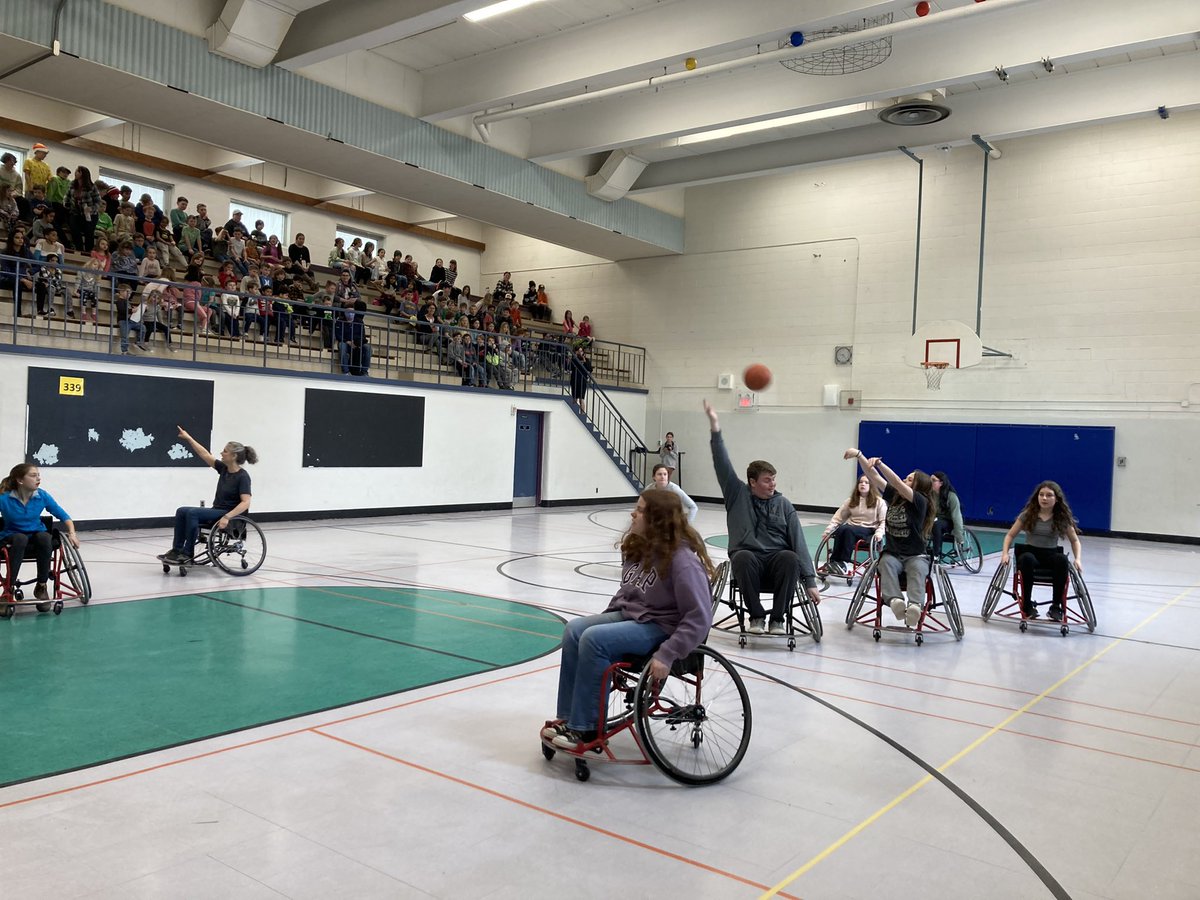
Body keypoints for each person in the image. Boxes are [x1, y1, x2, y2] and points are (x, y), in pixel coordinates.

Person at [542, 489, 715, 751]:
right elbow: (626, 594)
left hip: (663, 627)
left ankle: (586, 728)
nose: (633, 514)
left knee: (594, 639)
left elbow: (700, 618)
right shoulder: (640, 550)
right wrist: (603, 619)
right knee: (576, 630)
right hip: (634, 616)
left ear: (657, 519)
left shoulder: (682, 562)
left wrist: (668, 654)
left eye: (641, 510)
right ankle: (569, 717)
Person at [704, 400, 821, 635]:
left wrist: (810, 581)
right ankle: (756, 617)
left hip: (777, 561)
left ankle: (777, 619)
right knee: (743, 557)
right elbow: (722, 463)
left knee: (790, 557)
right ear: (753, 482)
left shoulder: (784, 504)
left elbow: (799, 543)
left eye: (774, 479)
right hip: (749, 561)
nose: (773, 484)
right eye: (767, 480)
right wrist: (715, 428)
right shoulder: (737, 495)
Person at [845, 447, 935, 628]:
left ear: (918, 486)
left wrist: (879, 463)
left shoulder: (920, 501)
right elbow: (873, 477)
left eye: (909, 479)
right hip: (893, 553)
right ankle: (895, 602)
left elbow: (894, 480)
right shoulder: (895, 496)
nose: (904, 479)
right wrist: (860, 455)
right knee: (885, 564)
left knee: (917, 568)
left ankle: (915, 605)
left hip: (915, 554)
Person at [158, 429, 257, 564]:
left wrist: (227, 517)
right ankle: (177, 550)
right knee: (181, 511)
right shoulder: (223, 469)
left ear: (233, 456)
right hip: (217, 510)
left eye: (225, 451)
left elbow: (246, 502)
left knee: (193, 513)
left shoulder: (243, 476)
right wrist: (189, 438)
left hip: (230, 515)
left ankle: (187, 553)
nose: (221, 453)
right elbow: (204, 454)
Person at [0, 463, 79, 611]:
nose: (38, 478)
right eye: (33, 475)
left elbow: (63, 516)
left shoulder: (42, 496)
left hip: (36, 535)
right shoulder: (4, 498)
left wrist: (72, 533)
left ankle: (41, 586)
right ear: (20, 480)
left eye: (38, 475)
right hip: (12, 536)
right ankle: (8, 588)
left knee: (45, 537)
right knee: (20, 539)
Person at [1000, 481, 1083, 622]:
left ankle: (1056, 606)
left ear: (1056, 499)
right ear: (1037, 497)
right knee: (1027, 559)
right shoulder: (1028, 515)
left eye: (1049, 495)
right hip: (1031, 554)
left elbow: (1075, 541)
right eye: (1041, 495)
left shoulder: (1061, 518)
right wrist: (1005, 553)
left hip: (1050, 555)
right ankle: (1027, 604)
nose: (1044, 498)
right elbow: (1009, 535)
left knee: (1062, 560)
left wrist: (1078, 559)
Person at [821, 475, 887, 575]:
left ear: (871, 486)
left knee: (848, 530)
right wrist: (828, 531)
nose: (863, 484)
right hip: (851, 528)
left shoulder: (879, 502)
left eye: (866, 482)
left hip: (869, 529)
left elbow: (883, 521)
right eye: (860, 482)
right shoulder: (851, 501)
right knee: (841, 529)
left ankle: (844, 562)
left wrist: (879, 533)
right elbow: (838, 517)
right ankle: (834, 561)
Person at [929, 470, 965, 555]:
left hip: (949, 522)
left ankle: (936, 554)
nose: (930, 482)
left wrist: (959, 538)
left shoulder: (951, 496)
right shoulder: (930, 495)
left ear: (941, 483)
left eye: (933, 480)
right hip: (935, 520)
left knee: (936, 524)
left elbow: (957, 517)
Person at [569, 344, 591, 409]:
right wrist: (575, 357)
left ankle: (582, 412)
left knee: (581, 399)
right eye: (579, 351)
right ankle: (574, 410)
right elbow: (571, 367)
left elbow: (589, 369)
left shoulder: (586, 360)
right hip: (575, 380)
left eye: (581, 351)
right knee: (575, 398)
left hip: (583, 381)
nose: (580, 353)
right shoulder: (574, 359)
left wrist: (584, 360)